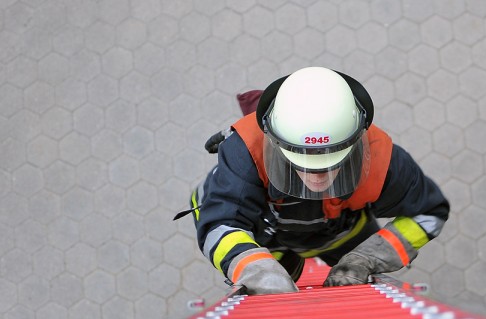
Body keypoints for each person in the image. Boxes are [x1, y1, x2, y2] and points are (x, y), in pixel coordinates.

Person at [178, 67, 450, 295]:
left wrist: (368, 257)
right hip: (267, 237)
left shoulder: (381, 157)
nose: (317, 177)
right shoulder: (247, 150)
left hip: (339, 235)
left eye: (331, 163)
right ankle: (282, 265)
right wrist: (254, 267)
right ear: (275, 142)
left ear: (356, 141)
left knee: (353, 284)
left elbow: (429, 212)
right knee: (274, 286)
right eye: (302, 162)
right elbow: (221, 222)